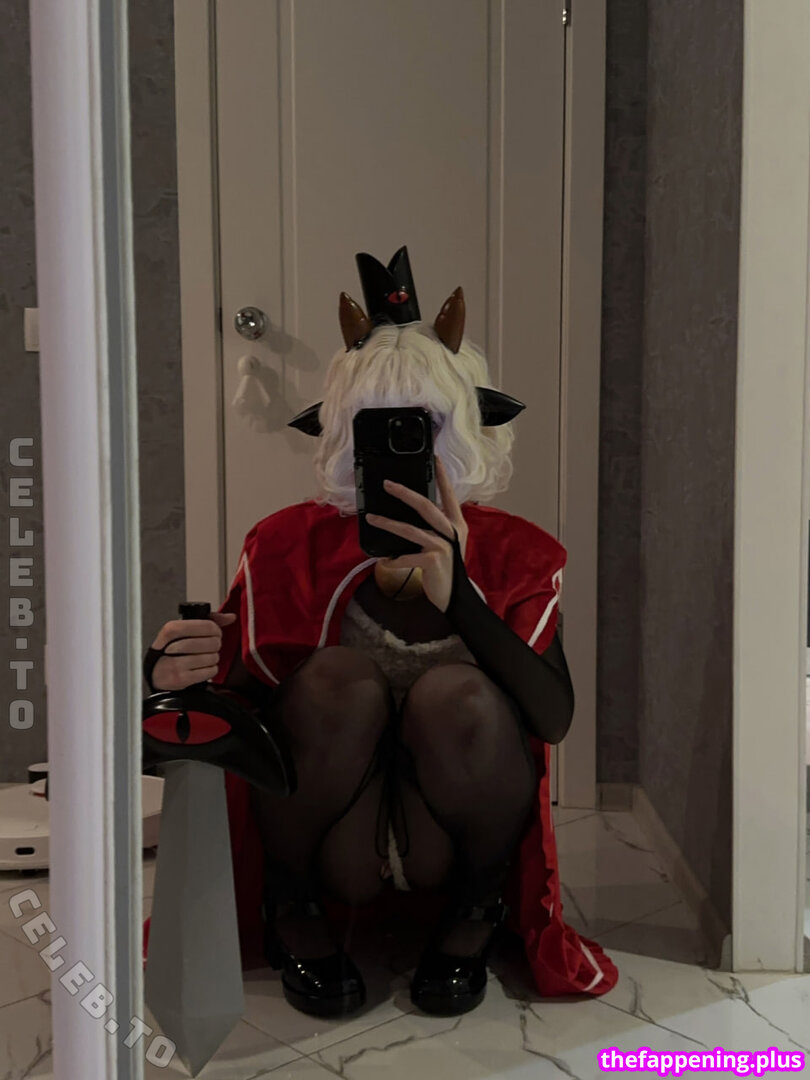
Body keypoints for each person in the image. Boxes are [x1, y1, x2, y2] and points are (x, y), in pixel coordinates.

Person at [144, 247, 618, 1020]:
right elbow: (232, 715)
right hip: (338, 840)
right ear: (341, 434)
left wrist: (462, 600)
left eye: (419, 428)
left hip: (449, 839)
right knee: (338, 681)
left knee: (457, 693)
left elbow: (554, 719)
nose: (400, 451)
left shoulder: (516, 555)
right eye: (375, 429)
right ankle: (292, 907)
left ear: (461, 431)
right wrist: (168, 676)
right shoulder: (286, 546)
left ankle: (475, 912)